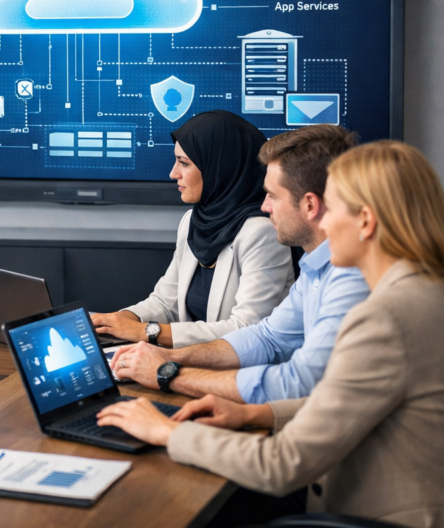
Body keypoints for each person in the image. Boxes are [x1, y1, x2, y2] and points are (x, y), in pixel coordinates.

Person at [96, 141, 444, 527]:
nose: (324, 224)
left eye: (334, 209)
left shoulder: (383, 317)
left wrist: (165, 430)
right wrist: (255, 412)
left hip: (374, 513)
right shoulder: (420, 290)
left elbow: (281, 464)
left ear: (365, 222)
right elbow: (341, 399)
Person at [109, 125, 369, 403]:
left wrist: (168, 372)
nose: (265, 206)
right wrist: (169, 356)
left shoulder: (353, 276)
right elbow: (267, 338)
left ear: (309, 205)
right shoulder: (315, 265)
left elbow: (298, 381)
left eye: (272, 195)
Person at [93, 110, 294, 347]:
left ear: (220, 166)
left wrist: (146, 331)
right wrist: (115, 321)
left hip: (242, 371)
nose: (173, 173)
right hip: (196, 359)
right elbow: (165, 302)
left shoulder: (262, 232)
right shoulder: (193, 220)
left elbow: (247, 329)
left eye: (184, 163)